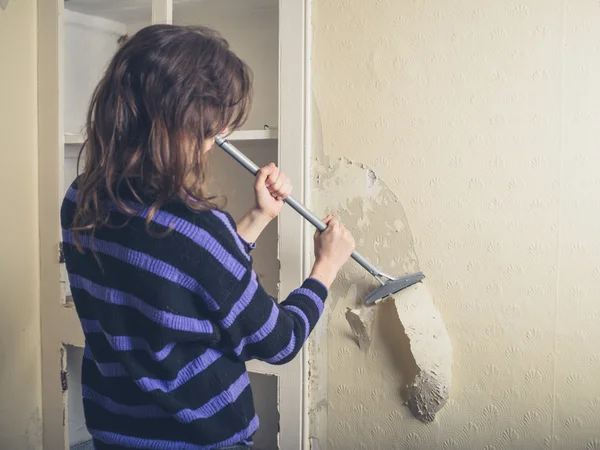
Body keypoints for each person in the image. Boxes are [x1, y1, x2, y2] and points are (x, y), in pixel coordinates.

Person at [60, 24, 355, 449]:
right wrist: (325, 268)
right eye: (206, 130)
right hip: (200, 439)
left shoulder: (81, 199)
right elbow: (279, 340)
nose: (211, 145)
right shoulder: (198, 230)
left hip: (114, 432)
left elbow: (180, 285)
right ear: (171, 124)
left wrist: (256, 217)